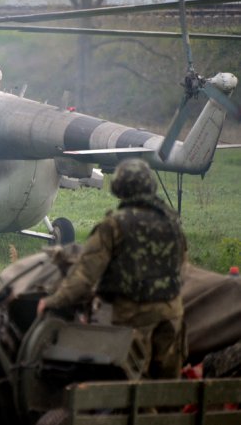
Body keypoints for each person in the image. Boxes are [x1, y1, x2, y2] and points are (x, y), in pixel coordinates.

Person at [37, 158, 188, 380]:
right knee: (168, 391)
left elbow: (84, 276)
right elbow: (182, 268)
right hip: (172, 317)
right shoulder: (172, 221)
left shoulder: (113, 226)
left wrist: (52, 301)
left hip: (133, 321)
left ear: (119, 188)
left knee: (134, 394)